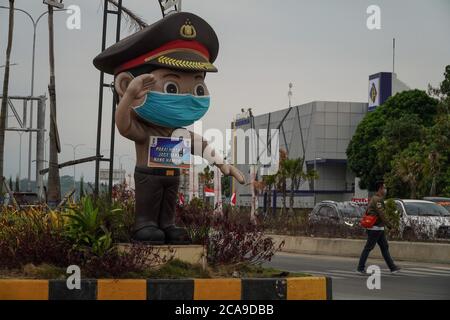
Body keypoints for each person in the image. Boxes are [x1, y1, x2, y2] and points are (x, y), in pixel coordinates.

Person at [93, 12, 245, 245]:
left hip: (173, 175)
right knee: (148, 209)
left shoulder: (178, 133)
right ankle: (144, 224)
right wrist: (129, 98)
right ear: (125, 84)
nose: (187, 97)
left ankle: (167, 224)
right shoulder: (145, 131)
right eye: (172, 87)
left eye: (197, 87)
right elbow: (123, 124)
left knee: (168, 207)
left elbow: (200, 144)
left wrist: (223, 164)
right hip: (148, 176)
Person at [357, 181, 401, 274]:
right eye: (384, 188)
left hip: (378, 229)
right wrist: (390, 226)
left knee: (384, 247)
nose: (385, 190)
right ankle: (360, 268)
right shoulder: (377, 200)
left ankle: (392, 267)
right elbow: (382, 214)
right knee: (368, 248)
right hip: (375, 229)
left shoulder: (376, 198)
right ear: (380, 188)